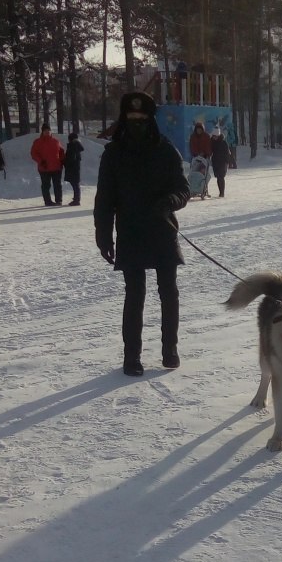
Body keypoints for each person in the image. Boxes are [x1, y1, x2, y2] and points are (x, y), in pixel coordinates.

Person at [94, 91, 191, 375]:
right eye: (132, 118)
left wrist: (171, 201)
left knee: (168, 293)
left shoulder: (165, 149)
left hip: (163, 230)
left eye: (142, 118)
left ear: (151, 120)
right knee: (134, 295)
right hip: (131, 232)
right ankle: (131, 357)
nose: (137, 123)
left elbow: (183, 189)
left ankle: (169, 350)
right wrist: (103, 234)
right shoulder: (113, 154)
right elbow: (105, 198)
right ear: (124, 119)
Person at [30, 124, 65, 206]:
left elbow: (61, 152)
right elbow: (33, 153)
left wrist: (62, 161)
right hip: (44, 168)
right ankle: (47, 201)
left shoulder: (56, 141)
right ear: (42, 132)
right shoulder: (37, 142)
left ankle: (58, 200)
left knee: (57, 185)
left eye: (48, 130)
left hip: (56, 167)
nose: (47, 132)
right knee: (46, 185)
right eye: (45, 130)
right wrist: (41, 161)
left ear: (51, 131)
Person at [210, 127, 231, 198]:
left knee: (221, 177)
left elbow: (227, 153)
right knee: (218, 177)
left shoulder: (223, 142)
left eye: (215, 136)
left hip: (223, 162)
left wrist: (227, 162)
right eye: (213, 136)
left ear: (218, 136)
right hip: (215, 162)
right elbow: (210, 151)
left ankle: (222, 192)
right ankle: (220, 192)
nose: (214, 137)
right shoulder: (212, 142)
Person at [64, 131, 84, 206]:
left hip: (72, 168)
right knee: (75, 183)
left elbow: (71, 158)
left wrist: (65, 163)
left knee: (74, 184)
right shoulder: (77, 145)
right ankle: (76, 198)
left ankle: (76, 199)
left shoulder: (72, 145)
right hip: (76, 167)